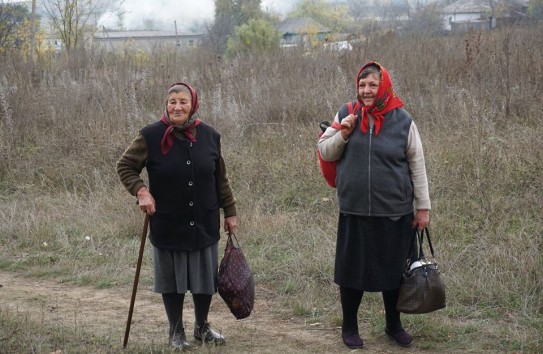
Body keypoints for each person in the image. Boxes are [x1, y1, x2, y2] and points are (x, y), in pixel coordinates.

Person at [317, 62, 431, 349]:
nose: (366, 91)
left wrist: (423, 208)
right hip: (354, 210)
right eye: (362, 85)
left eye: (372, 85)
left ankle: (393, 325)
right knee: (351, 273)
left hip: (394, 212)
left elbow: (417, 166)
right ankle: (349, 327)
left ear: (384, 87)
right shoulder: (346, 113)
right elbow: (324, 150)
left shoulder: (403, 121)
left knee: (394, 272)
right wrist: (343, 132)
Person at [117, 82, 237, 349]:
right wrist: (141, 192)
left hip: (204, 220)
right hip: (168, 221)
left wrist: (230, 211)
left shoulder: (210, 136)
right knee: (172, 281)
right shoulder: (150, 136)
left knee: (205, 280)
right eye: (172, 102)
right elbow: (125, 165)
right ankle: (176, 331)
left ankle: (202, 328)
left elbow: (221, 179)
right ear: (166, 105)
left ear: (193, 104)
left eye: (183, 101)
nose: (177, 106)